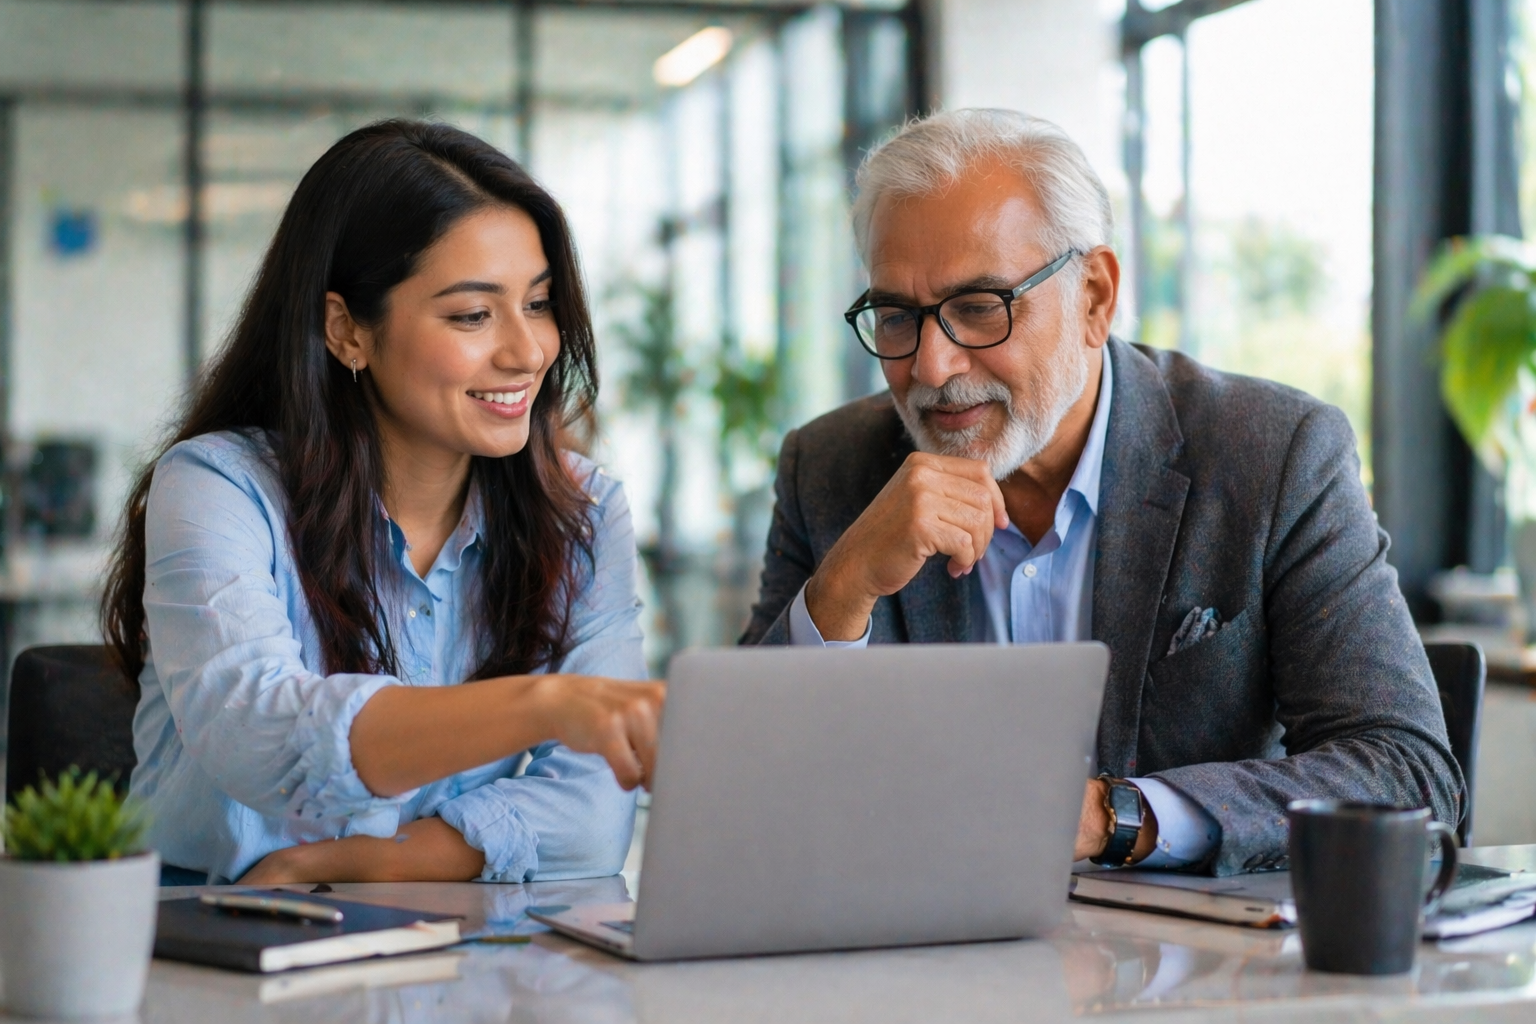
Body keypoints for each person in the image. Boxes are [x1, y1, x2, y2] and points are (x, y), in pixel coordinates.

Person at [742, 109, 1461, 876]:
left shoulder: (1272, 454)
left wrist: (1109, 817)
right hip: (919, 963)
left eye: (980, 308)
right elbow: (739, 790)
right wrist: (841, 591)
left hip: (1186, 977)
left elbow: (1407, 773)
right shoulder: (829, 468)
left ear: (1093, 295)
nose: (932, 368)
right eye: (896, 317)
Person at [104, 120, 664, 886]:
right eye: (472, 314)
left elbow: (597, 815)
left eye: (537, 303)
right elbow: (257, 732)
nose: (528, 350)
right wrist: (545, 704)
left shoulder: (584, 511)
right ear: (347, 330)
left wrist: (361, 862)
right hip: (213, 948)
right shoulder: (218, 487)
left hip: (453, 950)